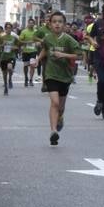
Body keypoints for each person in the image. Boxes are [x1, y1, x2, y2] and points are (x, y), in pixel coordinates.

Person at [38, 11, 81, 147]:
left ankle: (60, 117)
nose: (57, 24)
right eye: (54, 21)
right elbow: (45, 49)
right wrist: (37, 59)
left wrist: (63, 55)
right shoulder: (47, 38)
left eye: (60, 22)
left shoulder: (68, 39)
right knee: (54, 103)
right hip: (51, 74)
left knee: (61, 107)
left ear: (64, 25)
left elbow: (79, 55)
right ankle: (53, 131)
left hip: (65, 76)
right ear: (50, 24)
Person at [0, 22, 18, 94]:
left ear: (11, 29)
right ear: (5, 29)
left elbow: (18, 46)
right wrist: (2, 44)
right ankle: (5, 86)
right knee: (4, 74)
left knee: (10, 68)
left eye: (9, 28)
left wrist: (13, 47)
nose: (8, 29)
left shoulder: (14, 37)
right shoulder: (2, 37)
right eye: (7, 28)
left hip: (11, 56)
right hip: (4, 57)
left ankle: (10, 79)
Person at [19, 18, 40, 88]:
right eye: (30, 23)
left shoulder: (36, 32)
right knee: (25, 65)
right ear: (28, 24)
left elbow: (39, 40)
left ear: (34, 24)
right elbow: (20, 41)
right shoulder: (24, 32)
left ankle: (31, 79)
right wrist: (27, 42)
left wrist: (38, 43)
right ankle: (26, 78)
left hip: (33, 51)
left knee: (32, 65)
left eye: (32, 23)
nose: (31, 24)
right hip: (25, 51)